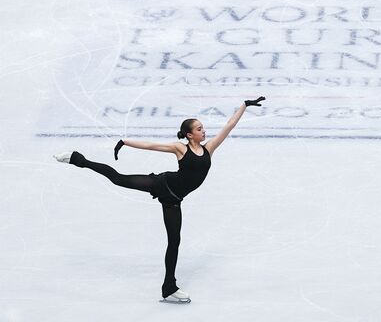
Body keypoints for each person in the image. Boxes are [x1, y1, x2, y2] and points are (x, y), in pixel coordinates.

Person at [53, 96, 266, 303]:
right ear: (190, 135)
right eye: (199, 129)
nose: (204, 131)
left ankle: (168, 288)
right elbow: (151, 145)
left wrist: (244, 106)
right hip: (162, 184)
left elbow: (228, 126)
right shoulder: (180, 148)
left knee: (174, 241)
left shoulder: (209, 148)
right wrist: (124, 141)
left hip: (174, 200)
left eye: (203, 128)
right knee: (118, 179)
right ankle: (77, 159)